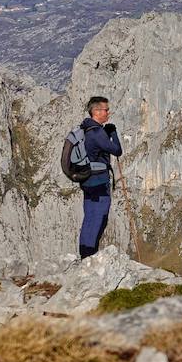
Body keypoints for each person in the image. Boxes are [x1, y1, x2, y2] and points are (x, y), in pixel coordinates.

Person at [75, 95, 121, 258]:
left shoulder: (84, 130)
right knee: (99, 217)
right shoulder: (96, 132)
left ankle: (84, 254)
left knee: (89, 217)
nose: (108, 113)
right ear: (96, 111)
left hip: (86, 180)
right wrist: (112, 131)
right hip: (99, 182)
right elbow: (117, 150)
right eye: (106, 110)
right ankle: (90, 256)